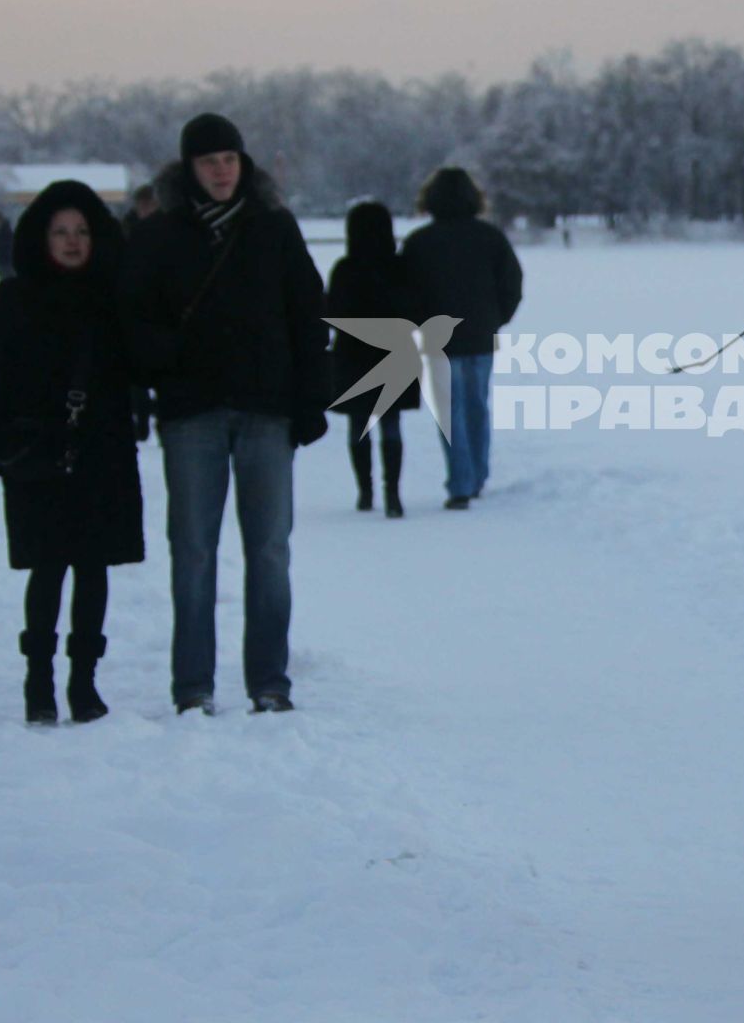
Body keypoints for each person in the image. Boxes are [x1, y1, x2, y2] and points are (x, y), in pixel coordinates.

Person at [121, 113, 329, 715]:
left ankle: (269, 681)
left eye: (230, 159)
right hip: (192, 413)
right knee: (192, 550)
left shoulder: (274, 228)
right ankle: (193, 686)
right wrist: (164, 365)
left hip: (267, 410)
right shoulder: (160, 236)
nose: (221, 170)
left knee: (269, 549)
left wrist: (311, 400)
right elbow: (132, 318)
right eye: (209, 161)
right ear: (189, 168)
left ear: (244, 164)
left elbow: (307, 315)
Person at [0, 180, 143, 724]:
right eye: (61, 232)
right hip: (36, 449)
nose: (73, 242)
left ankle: (84, 682)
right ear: (41, 237)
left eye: (82, 232)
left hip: (102, 450)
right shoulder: (12, 298)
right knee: (48, 567)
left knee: (94, 567)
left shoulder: (114, 296)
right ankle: (38, 680)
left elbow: (147, 363)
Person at [400, 168, 522, 510]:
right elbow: (512, 283)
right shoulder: (491, 238)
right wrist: (497, 318)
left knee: (450, 413)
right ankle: (478, 475)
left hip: (439, 339)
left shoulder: (419, 243)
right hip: (481, 335)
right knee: (477, 407)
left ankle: (460, 483)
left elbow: (407, 292)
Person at [327, 200, 421, 517]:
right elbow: (415, 309)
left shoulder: (345, 269)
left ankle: (365, 492)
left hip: (352, 355)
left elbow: (331, 312)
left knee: (358, 426)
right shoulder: (401, 268)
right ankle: (392, 494)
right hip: (396, 353)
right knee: (391, 425)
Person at [120, 184, 162, 440]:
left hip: (162, 311)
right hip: (137, 311)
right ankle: (143, 423)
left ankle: (155, 421)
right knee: (137, 380)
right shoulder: (128, 230)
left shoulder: (168, 229)